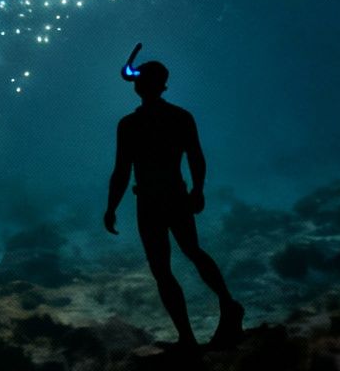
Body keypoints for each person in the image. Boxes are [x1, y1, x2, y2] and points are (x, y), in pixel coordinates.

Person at [105, 51, 245, 350]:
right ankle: (227, 306)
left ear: (141, 86)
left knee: (162, 268)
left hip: (150, 201)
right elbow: (196, 157)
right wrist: (197, 190)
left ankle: (188, 337)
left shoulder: (129, 124)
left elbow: (122, 170)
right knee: (192, 251)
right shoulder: (179, 117)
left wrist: (111, 207)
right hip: (176, 195)